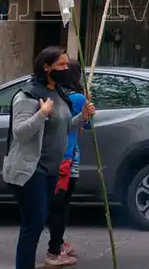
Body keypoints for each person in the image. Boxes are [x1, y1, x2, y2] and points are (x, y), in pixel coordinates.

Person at [3, 47, 96, 269]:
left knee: (41, 217)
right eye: (61, 65)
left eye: (66, 65)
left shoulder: (59, 93)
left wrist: (82, 118)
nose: (66, 69)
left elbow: (63, 128)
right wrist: (41, 114)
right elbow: (20, 133)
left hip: (51, 169)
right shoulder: (27, 96)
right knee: (33, 223)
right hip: (30, 169)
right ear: (46, 68)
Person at [46, 59, 89, 267]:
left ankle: (57, 243)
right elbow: (85, 126)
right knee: (61, 207)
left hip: (51, 158)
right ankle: (55, 249)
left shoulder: (53, 96)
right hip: (68, 159)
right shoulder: (78, 98)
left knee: (54, 205)